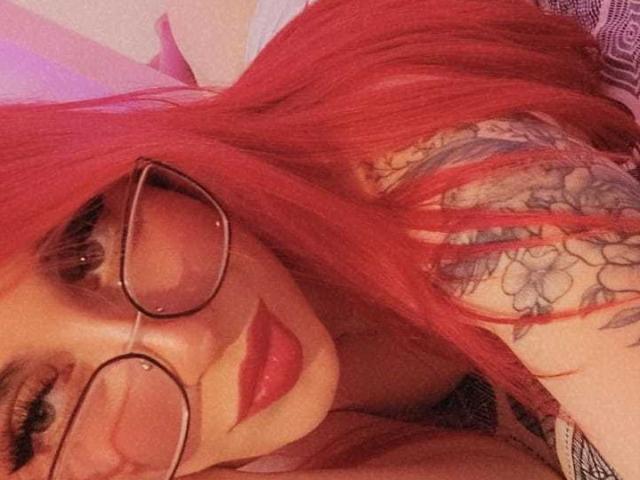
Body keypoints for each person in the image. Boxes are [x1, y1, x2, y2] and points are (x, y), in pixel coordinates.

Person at [0, 0, 638, 478]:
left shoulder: (398, 143)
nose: (185, 342)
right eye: (40, 413)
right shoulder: (282, 426)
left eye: (84, 249)